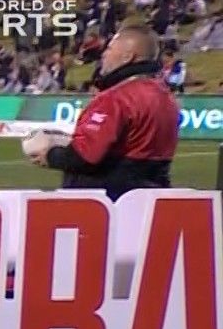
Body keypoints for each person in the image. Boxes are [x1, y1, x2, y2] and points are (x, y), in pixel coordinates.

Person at [25, 24, 179, 198]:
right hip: (150, 197)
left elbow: (85, 156)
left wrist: (50, 155)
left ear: (127, 57)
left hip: (110, 200)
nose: (104, 54)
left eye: (110, 49)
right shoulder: (166, 96)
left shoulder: (116, 98)